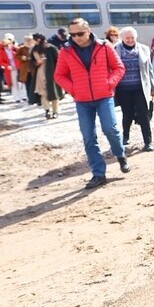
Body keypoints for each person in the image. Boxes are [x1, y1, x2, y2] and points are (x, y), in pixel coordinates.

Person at [54, 18, 129, 189]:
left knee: (110, 129)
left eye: (80, 33)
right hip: (82, 101)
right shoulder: (66, 52)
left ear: (88, 31)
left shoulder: (104, 46)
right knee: (88, 137)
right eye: (72, 35)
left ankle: (120, 155)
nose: (76, 38)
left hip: (104, 97)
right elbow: (59, 75)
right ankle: (98, 174)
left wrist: (109, 84)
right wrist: (74, 89)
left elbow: (119, 67)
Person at [114, 27, 154, 151]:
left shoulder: (143, 49)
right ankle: (125, 136)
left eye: (132, 37)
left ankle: (148, 142)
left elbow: (150, 70)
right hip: (123, 89)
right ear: (122, 38)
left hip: (140, 88)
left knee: (144, 115)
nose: (130, 40)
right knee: (127, 114)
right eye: (127, 38)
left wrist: (153, 86)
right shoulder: (115, 49)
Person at [31, 33, 63, 119]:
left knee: (54, 92)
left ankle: (55, 111)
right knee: (43, 93)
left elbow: (59, 60)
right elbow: (32, 63)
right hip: (40, 74)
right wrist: (37, 63)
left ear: (38, 39)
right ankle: (47, 110)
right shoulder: (34, 50)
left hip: (51, 73)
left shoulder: (50, 48)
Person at [1, 33, 27, 103]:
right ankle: (16, 97)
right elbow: (1, 61)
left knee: (21, 82)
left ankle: (24, 96)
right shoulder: (2, 51)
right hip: (10, 69)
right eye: (6, 44)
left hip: (19, 68)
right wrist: (7, 66)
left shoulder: (16, 49)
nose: (7, 46)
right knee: (13, 83)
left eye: (9, 43)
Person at [16, 35, 35, 104]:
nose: (28, 42)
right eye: (27, 40)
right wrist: (22, 57)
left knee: (35, 84)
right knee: (28, 85)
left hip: (34, 69)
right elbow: (16, 56)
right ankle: (30, 99)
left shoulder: (35, 47)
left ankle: (36, 98)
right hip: (26, 70)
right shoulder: (22, 48)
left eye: (29, 40)